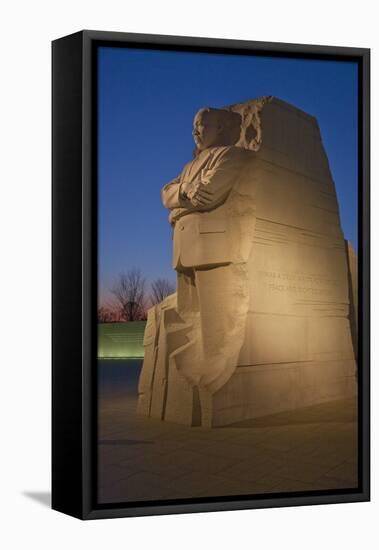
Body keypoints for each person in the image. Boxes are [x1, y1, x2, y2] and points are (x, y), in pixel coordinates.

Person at [160, 107, 253, 393]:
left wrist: (180, 202)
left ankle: (216, 374)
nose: (196, 131)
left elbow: (209, 193)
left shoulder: (232, 155)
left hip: (212, 247)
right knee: (189, 317)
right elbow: (166, 194)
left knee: (216, 322)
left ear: (221, 128)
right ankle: (190, 374)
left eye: (202, 125)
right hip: (184, 247)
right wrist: (185, 194)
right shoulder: (190, 166)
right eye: (194, 127)